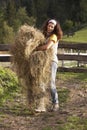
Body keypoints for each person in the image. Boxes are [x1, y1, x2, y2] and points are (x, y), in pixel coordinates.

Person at [35, 19, 63, 112]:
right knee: (41, 83)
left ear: (55, 28)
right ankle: (41, 106)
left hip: (52, 61)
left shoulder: (54, 36)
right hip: (43, 61)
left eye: (52, 26)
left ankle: (56, 103)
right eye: (49, 25)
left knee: (51, 83)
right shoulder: (44, 35)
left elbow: (47, 47)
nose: (49, 27)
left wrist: (35, 49)